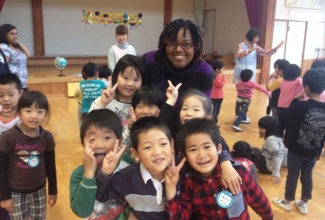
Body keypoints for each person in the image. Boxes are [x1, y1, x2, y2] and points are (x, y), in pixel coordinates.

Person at [164, 118, 273, 219]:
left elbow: (260, 202)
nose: (201, 155)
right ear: (184, 155)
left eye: (207, 147)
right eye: (193, 150)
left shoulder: (238, 171)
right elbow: (180, 217)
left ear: (219, 148)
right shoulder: (188, 182)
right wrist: (170, 189)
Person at [96, 117, 175, 219]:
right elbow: (101, 194)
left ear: (171, 145)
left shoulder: (182, 171)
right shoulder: (126, 178)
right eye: (147, 147)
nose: (157, 152)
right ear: (136, 154)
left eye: (163, 144)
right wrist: (105, 172)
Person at [273, 68, 325, 215]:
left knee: (293, 175)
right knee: (307, 175)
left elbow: (288, 115)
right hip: (313, 150)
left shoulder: (302, 105)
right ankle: (304, 202)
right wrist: (319, 149)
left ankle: (288, 201)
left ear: (306, 88)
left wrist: (296, 99)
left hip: (296, 149)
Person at [0, 91, 57, 219]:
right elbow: (1, 168)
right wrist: (4, 196)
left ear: (45, 114)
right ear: (19, 113)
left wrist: (53, 190)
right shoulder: (8, 137)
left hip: (39, 191)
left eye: (40, 111)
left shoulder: (47, 137)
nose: (34, 116)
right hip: (15, 193)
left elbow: (51, 166)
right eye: (28, 111)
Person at [70, 109, 134, 219]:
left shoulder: (127, 163)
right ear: (82, 143)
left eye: (107, 138)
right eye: (92, 139)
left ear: (119, 140)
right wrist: (89, 174)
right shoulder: (79, 174)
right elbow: (82, 211)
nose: (99, 145)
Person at [142, 19, 214, 103]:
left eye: (186, 44)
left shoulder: (204, 72)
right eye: (172, 43)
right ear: (165, 44)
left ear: (196, 46)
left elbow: (202, 110)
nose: (179, 49)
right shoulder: (149, 61)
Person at [89, 54, 145, 127]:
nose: (130, 84)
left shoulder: (142, 104)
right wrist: (102, 104)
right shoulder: (105, 99)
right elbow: (89, 124)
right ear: (116, 77)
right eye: (125, 78)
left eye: (136, 79)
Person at [0, 73, 23, 220]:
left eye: (10, 94)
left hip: (14, 169)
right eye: (1, 95)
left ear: (20, 93)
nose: (6, 99)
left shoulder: (24, 118)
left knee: (12, 204)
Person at [251, 116, 286, 184]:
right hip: (273, 166)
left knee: (251, 150)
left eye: (263, 128)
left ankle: (249, 170)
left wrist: (276, 172)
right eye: (260, 128)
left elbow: (276, 155)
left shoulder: (270, 140)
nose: (260, 130)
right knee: (254, 149)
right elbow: (284, 151)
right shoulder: (278, 138)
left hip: (268, 169)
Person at [0, 24, 30, 90]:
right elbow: (4, 66)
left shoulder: (16, 47)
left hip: (22, 83)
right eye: (11, 34)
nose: (15, 36)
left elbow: (28, 55)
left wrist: (18, 43)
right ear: (4, 34)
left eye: (16, 34)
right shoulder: (4, 47)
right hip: (13, 84)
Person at [277, 64, 304, 137]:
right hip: (291, 107)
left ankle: (279, 143)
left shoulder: (282, 80)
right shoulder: (298, 80)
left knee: (280, 127)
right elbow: (304, 87)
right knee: (289, 128)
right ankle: (286, 144)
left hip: (280, 107)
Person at [210, 60, 226, 127]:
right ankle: (212, 124)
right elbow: (221, 85)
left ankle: (214, 123)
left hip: (219, 97)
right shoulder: (214, 77)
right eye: (222, 68)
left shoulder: (219, 76)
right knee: (213, 111)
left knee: (217, 111)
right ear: (217, 69)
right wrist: (224, 78)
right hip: (214, 97)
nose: (223, 69)